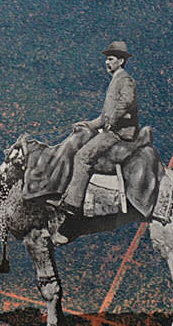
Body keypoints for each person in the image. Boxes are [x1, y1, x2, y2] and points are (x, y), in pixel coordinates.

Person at [48, 40, 138, 244]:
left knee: (83, 156)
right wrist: (88, 124)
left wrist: (112, 121)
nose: (107, 63)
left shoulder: (125, 80)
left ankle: (72, 208)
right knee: (77, 142)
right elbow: (103, 115)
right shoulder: (115, 79)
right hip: (111, 128)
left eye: (111, 59)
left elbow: (127, 102)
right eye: (107, 59)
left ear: (121, 61)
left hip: (119, 133)